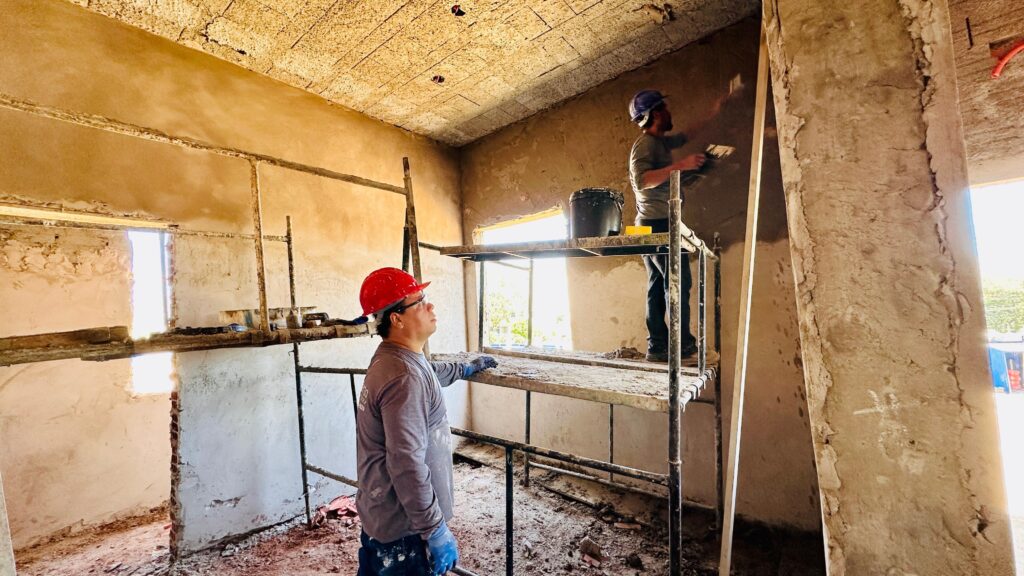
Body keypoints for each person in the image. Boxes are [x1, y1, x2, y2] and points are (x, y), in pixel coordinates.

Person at [355, 267, 497, 576]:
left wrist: (464, 368)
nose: (430, 306)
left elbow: (428, 372)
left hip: (381, 518)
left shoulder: (392, 358)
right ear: (397, 318)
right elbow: (406, 462)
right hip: (404, 533)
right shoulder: (404, 378)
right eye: (419, 301)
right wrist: (434, 529)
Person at [628, 88, 728, 363]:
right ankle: (682, 346)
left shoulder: (660, 143)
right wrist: (682, 165)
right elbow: (643, 181)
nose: (670, 113)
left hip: (649, 224)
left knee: (658, 284)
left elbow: (686, 136)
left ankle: (658, 347)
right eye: (665, 108)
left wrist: (714, 113)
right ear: (655, 113)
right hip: (655, 224)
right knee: (678, 280)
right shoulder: (646, 144)